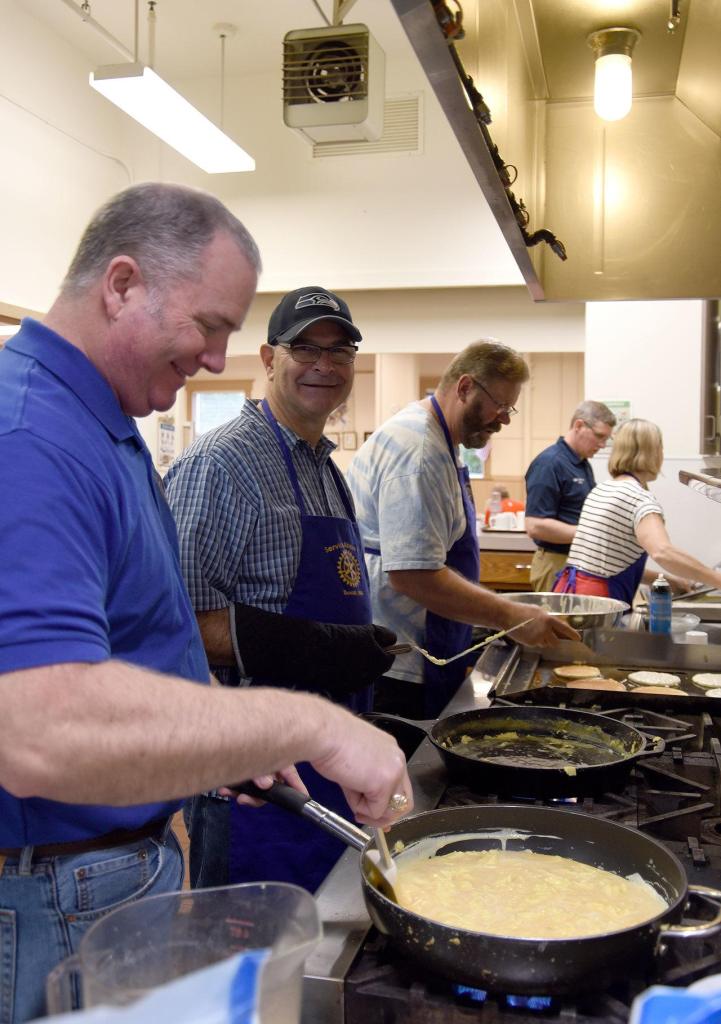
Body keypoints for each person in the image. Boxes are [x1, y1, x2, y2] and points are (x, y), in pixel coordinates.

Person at [0, 185, 412, 1024]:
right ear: (122, 285)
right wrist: (309, 724)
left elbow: (130, 644)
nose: (217, 361)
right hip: (54, 891)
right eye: (211, 326)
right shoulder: (30, 436)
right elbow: (34, 725)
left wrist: (215, 749)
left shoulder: (99, 425)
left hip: (114, 869)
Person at [165, 285, 399, 893]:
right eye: (306, 349)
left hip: (333, 752)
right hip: (260, 779)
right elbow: (175, 625)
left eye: (341, 350)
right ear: (269, 359)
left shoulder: (325, 467)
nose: (326, 365)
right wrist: (313, 646)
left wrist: (351, 646)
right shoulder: (223, 464)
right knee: (252, 958)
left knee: (326, 939)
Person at [346, 341, 579, 719]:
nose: (504, 419)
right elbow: (413, 574)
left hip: (422, 647)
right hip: (400, 662)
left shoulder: (440, 439)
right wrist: (511, 616)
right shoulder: (419, 450)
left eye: (510, 409)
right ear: (465, 387)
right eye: (500, 406)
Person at [553, 418, 721, 603]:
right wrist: (717, 580)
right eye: (660, 448)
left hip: (571, 592)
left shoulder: (603, 489)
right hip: (598, 602)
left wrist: (670, 581)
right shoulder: (638, 498)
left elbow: (611, 562)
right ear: (652, 452)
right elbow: (663, 552)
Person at [524, 400, 617, 592]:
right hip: (555, 563)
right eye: (599, 436)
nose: (602, 444)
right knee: (556, 622)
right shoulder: (549, 463)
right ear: (579, 426)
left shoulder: (582, 464)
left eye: (606, 439)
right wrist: (590, 534)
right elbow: (535, 526)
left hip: (578, 561)